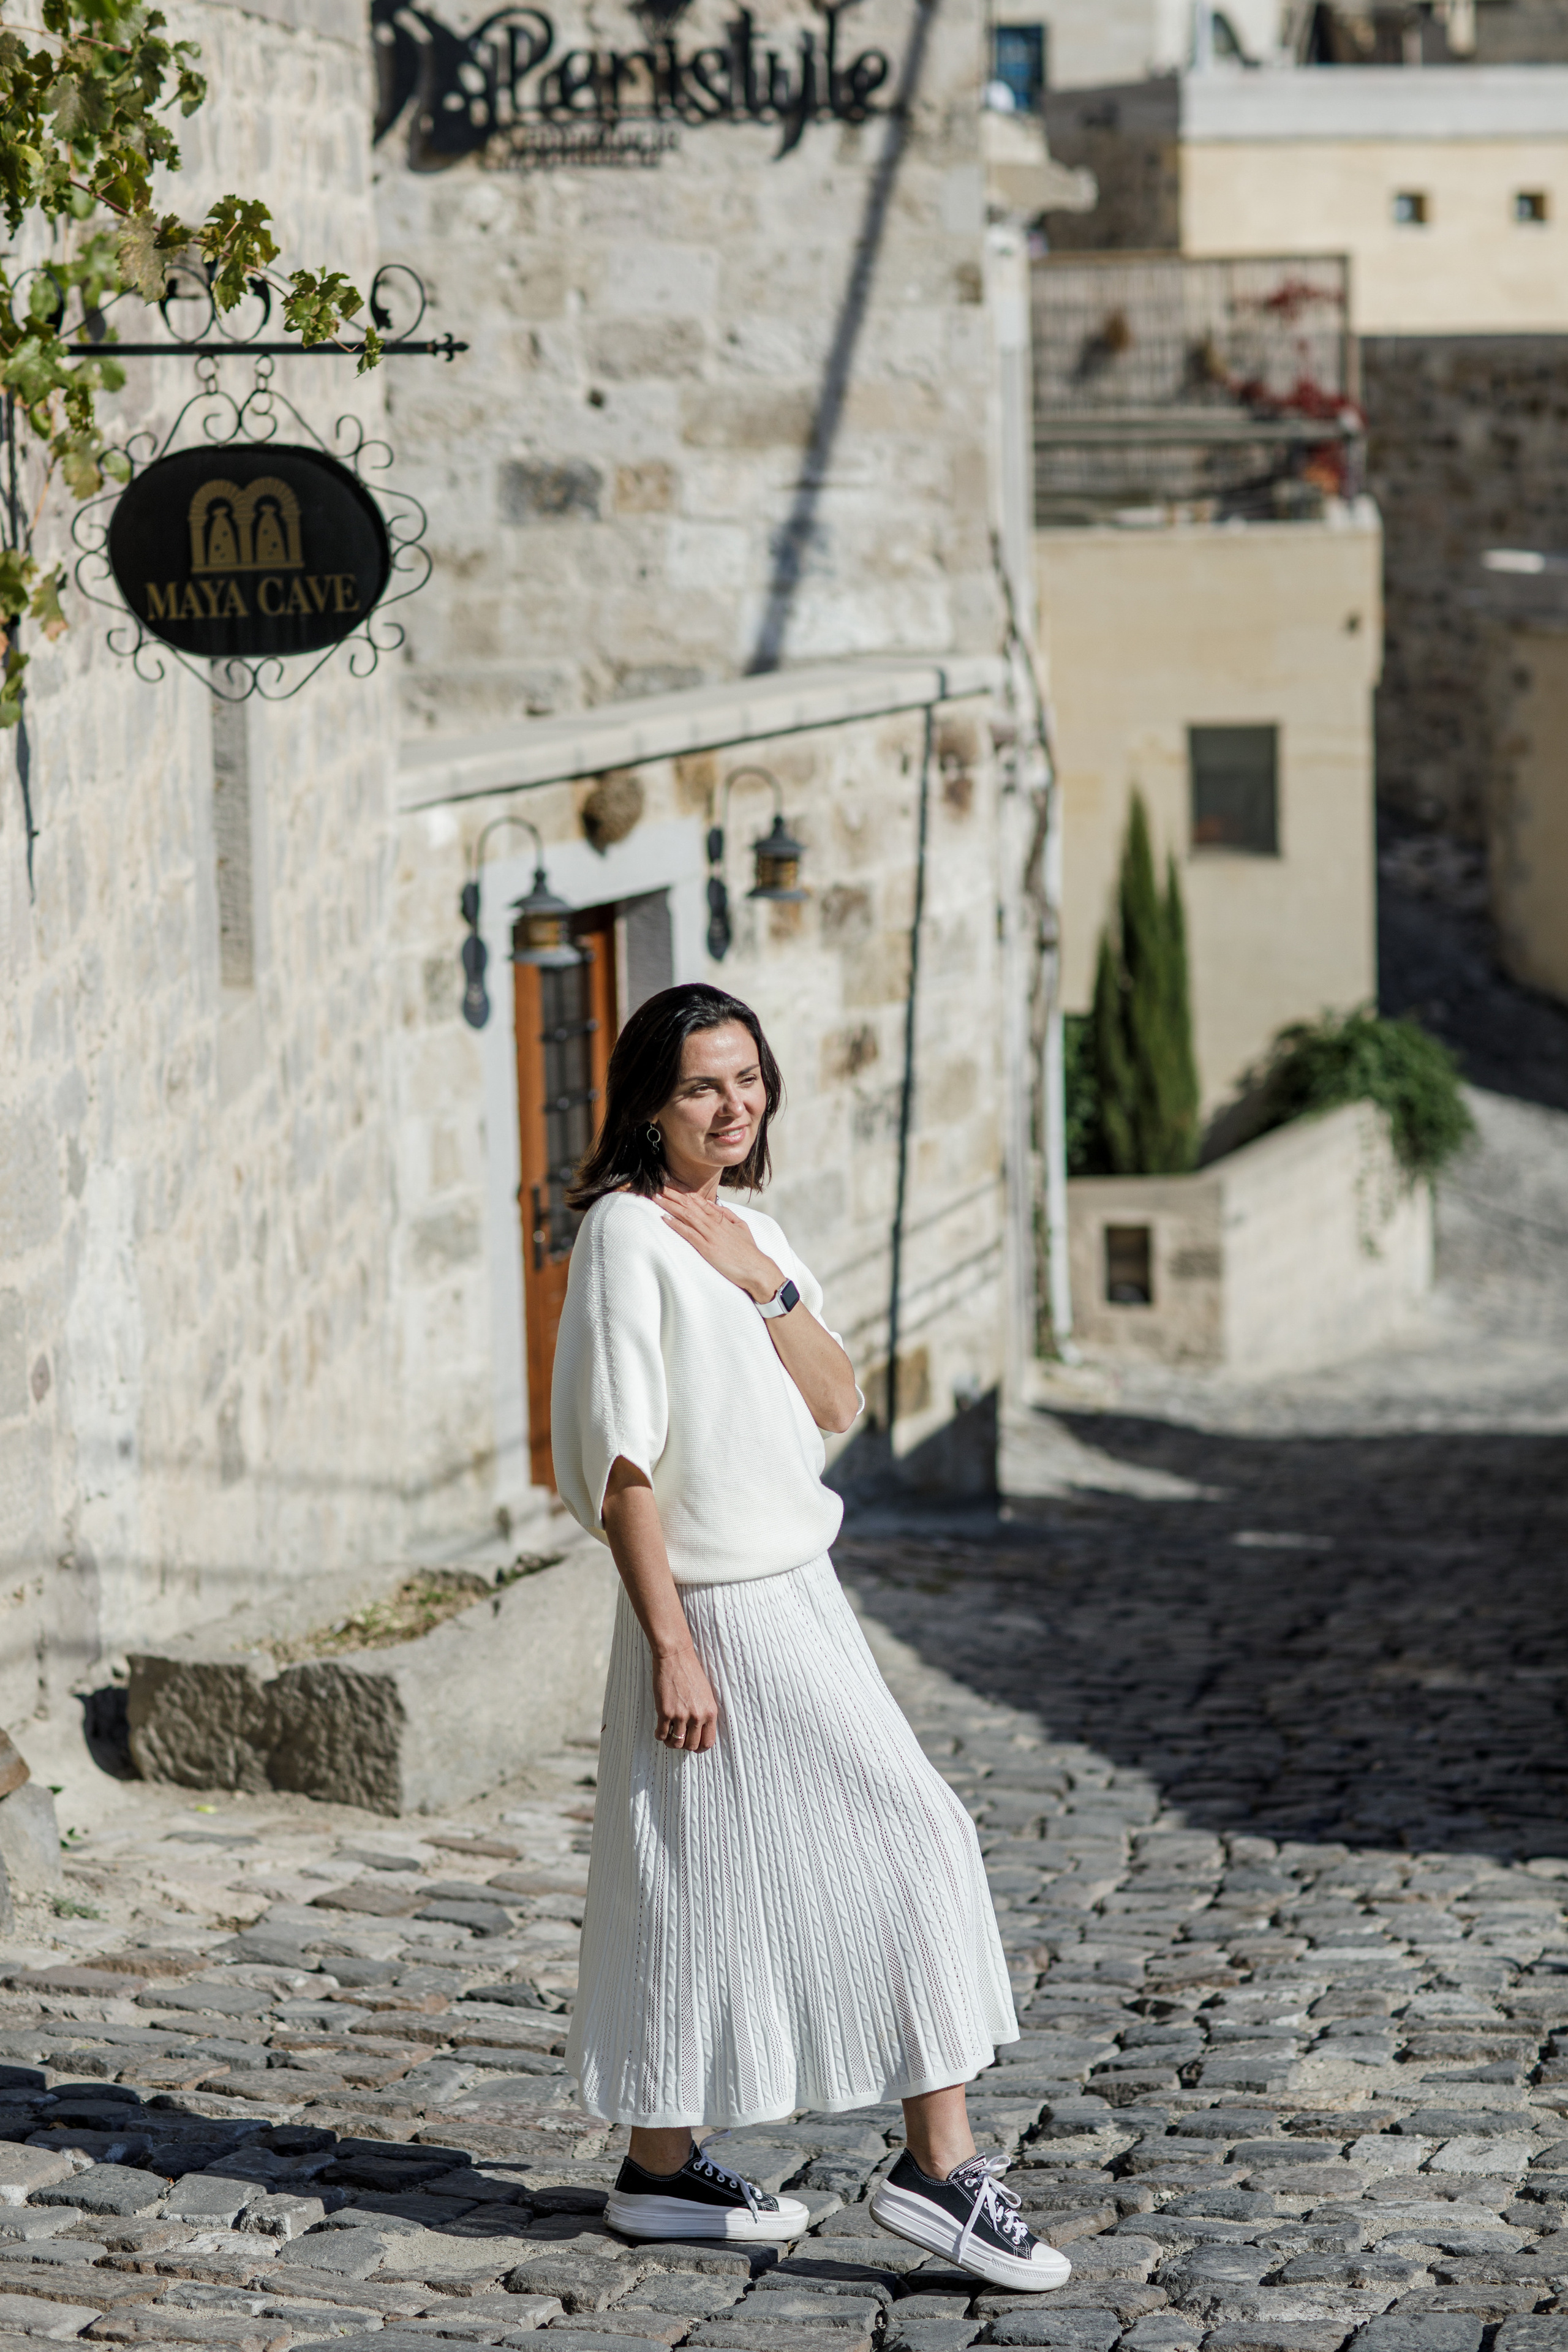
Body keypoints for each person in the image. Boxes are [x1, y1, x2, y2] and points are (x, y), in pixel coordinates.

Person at [549, 981, 1070, 2293]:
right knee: (919, 1835)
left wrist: (763, 1277)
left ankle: (659, 2167)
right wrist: (668, 1639)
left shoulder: (749, 1229)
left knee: (700, 1877)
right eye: (699, 1089)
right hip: (716, 1609)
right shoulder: (622, 1234)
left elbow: (835, 1397)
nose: (732, 1108)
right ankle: (936, 2166)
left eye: (746, 1080)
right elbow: (621, 1465)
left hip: (801, 1590)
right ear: (649, 1107)